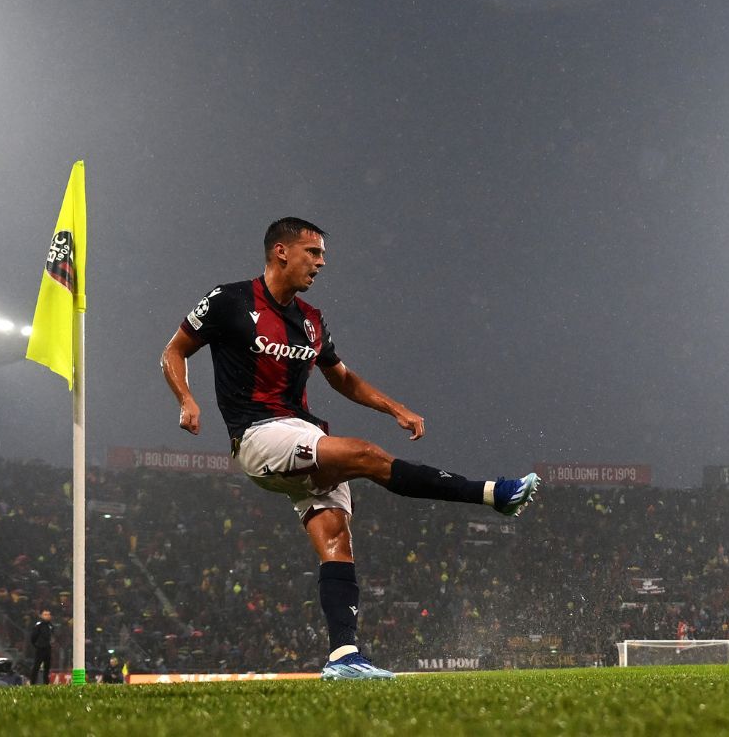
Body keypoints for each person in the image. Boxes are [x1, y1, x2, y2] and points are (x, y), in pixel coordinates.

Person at [160, 217, 540, 681]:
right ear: (282, 251)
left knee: (338, 542)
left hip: (300, 435)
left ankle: (345, 656)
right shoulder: (229, 300)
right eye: (313, 252)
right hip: (259, 435)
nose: (320, 263)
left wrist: (395, 407)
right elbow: (174, 350)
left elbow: (340, 377)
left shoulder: (312, 320)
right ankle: (492, 494)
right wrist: (187, 400)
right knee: (365, 455)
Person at [29, 609, 55, 683]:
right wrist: (37, 645)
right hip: (40, 648)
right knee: (36, 666)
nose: (47, 616)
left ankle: (46, 682)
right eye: (45, 614)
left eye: (48, 614)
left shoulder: (51, 625)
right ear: (41, 616)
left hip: (48, 648)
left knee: (47, 667)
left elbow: (52, 635)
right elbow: (33, 637)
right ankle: (33, 683)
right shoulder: (39, 625)